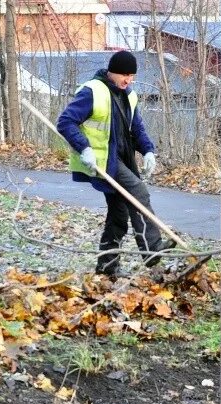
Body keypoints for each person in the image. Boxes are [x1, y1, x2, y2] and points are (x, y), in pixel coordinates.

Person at [56, 50, 174, 276]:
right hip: (102, 162)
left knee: (119, 214)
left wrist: (148, 150)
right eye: (125, 75)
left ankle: (107, 267)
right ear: (113, 72)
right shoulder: (93, 92)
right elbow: (66, 122)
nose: (128, 80)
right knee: (139, 191)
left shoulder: (128, 94)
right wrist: (85, 148)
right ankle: (151, 248)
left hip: (122, 159)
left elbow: (137, 128)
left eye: (132, 76)